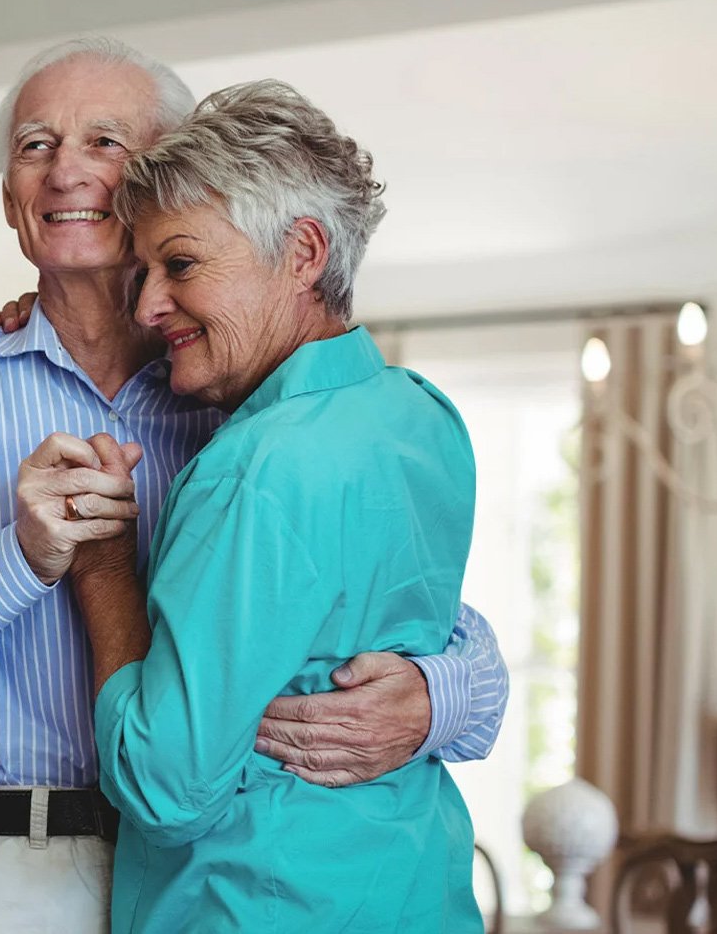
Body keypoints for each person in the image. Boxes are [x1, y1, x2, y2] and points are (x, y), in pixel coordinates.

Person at [0, 38, 507, 933]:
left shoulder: (241, 395)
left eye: (105, 143)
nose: (65, 172)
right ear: (9, 196)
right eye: (35, 146)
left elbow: (393, 602)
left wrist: (443, 694)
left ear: (167, 180)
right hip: (9, 877)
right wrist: (13, 563)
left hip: (207, 874)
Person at [68, 80, 479, 930]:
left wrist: (104, 567)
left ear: (302, 253)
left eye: (179, 264)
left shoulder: (254, 466)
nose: (147, 305)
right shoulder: (428, 418)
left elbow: (165, 784)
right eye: (141, 272)